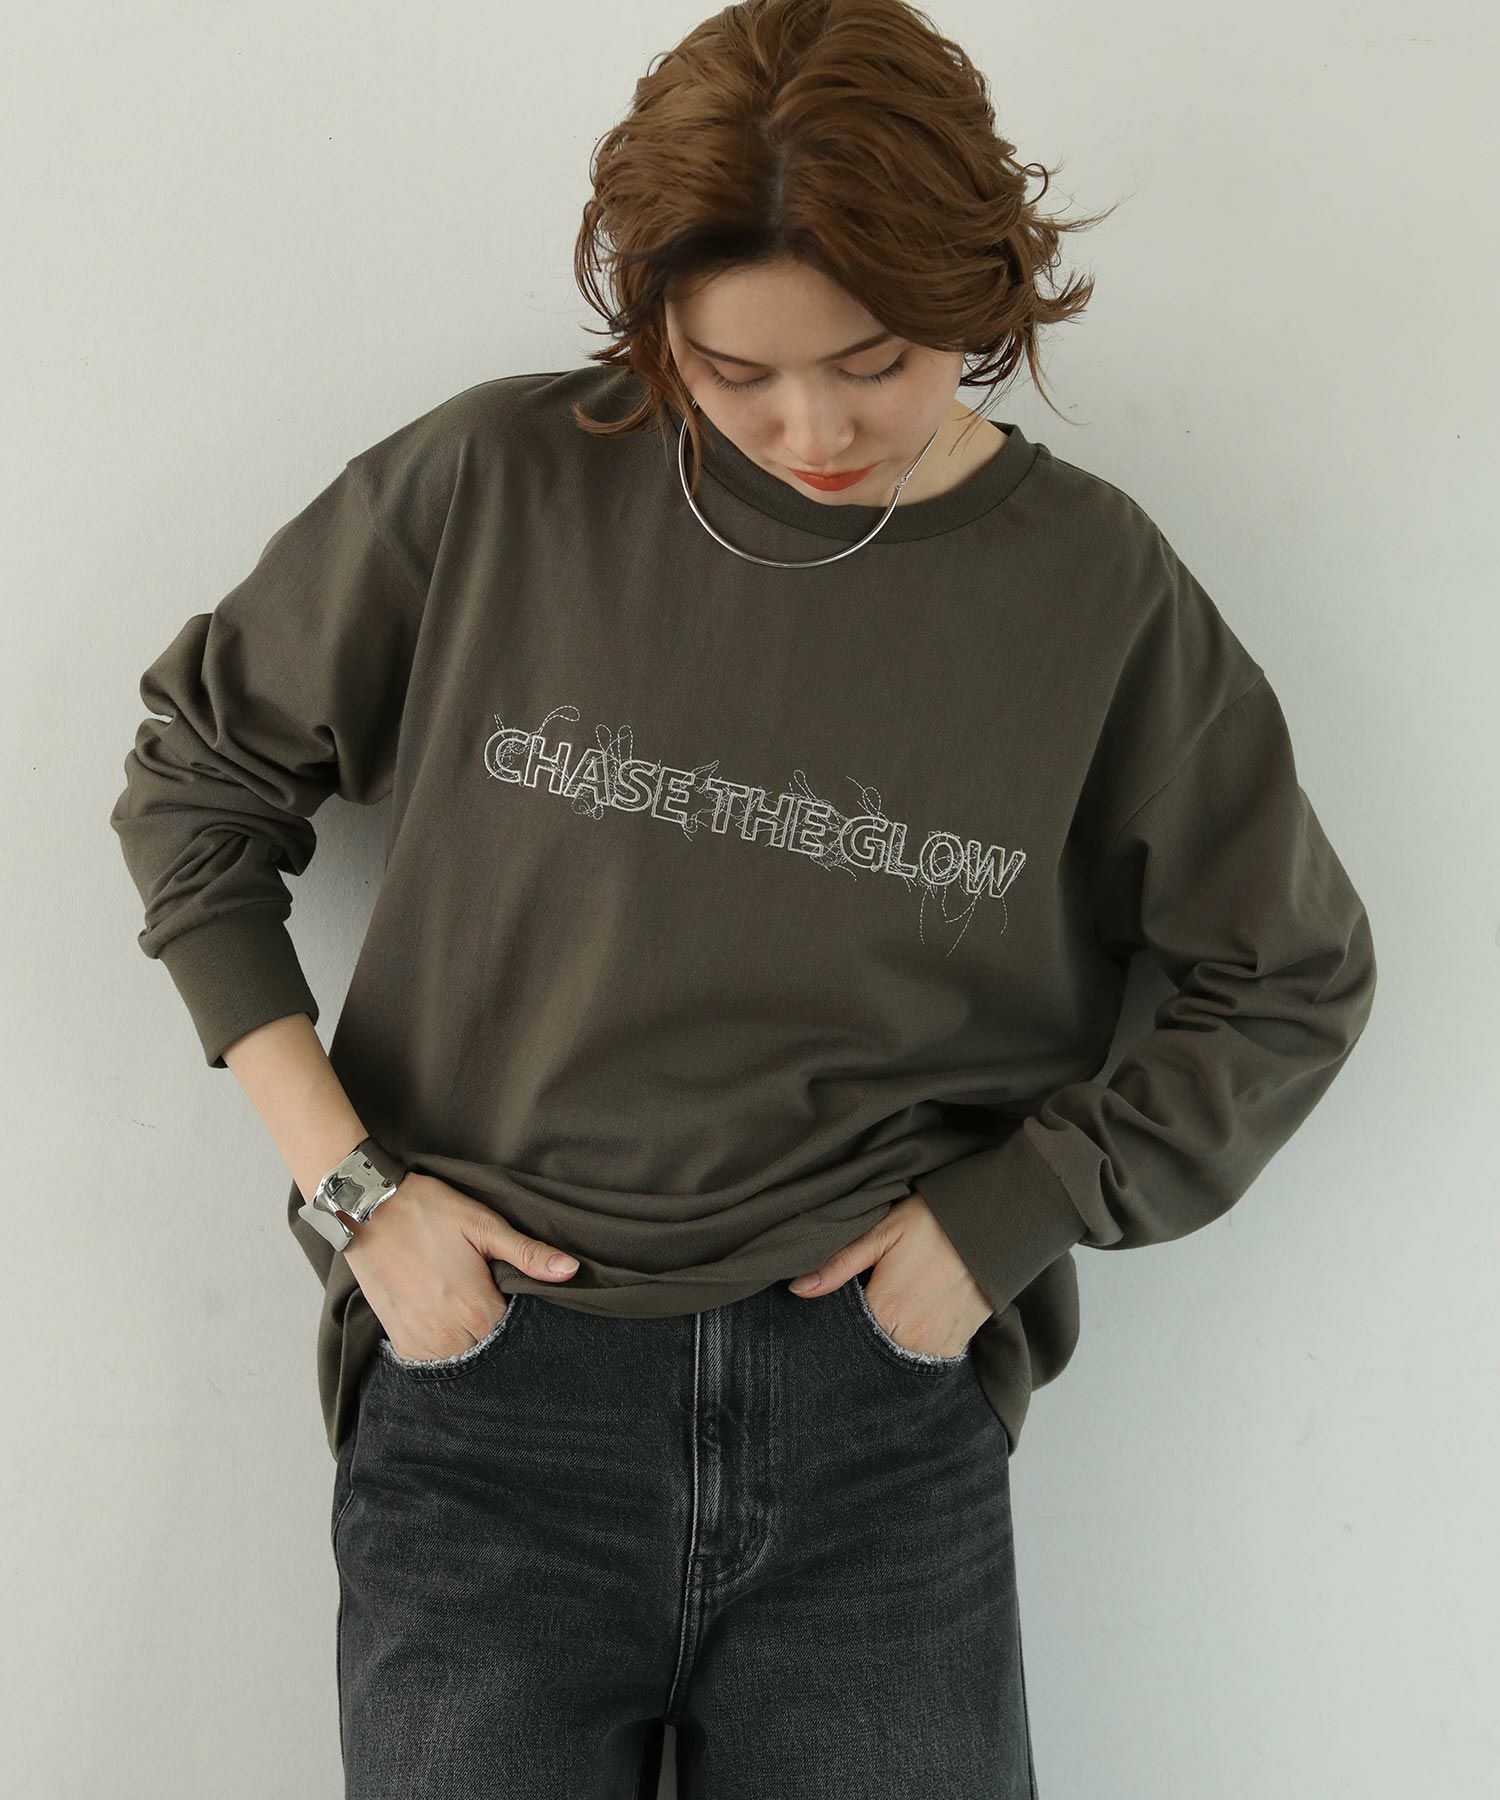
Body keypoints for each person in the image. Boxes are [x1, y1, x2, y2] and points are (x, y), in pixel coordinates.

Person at [107, 2, 1378, 1795]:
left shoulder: (1094, 593)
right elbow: (199, 784)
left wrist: (1012, 1215)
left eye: (876, 359)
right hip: (490, 1407)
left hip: (874, 1424)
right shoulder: (499, 487)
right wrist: (356, 1194)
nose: (812, 427)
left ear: (977, 286)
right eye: (732, 372)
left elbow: (1289, 972)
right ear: (658, 330)